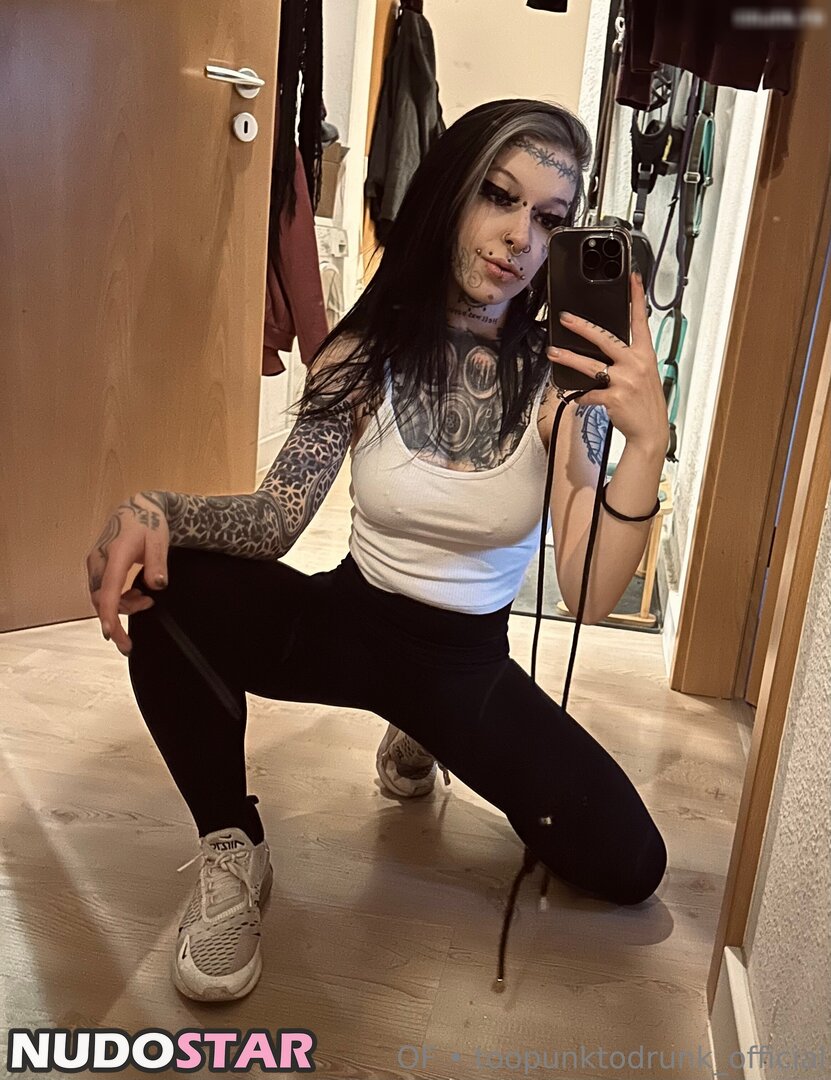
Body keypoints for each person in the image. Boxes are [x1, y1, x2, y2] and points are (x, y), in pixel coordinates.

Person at [85, 98, 671, 1003]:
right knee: (170, 583)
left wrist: (643, 445)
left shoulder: (560, 383)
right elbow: (276, 518)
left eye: (549, 220)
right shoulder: (364, 351)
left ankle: (421, 730)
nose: (519, 238)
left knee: (629, 864)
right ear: (451, 193)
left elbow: (586, 593)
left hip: (464, 666)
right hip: (351, 623)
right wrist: (157, 508)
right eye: (499, 196)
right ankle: (232, 845)